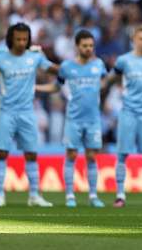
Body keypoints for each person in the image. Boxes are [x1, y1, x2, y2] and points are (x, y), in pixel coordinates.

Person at [0, 22, 60, 207]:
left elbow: (54, 69)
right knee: (1, 153)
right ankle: (0, 195)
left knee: (31, 153)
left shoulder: (35, 58)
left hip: (27, 112)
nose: (22, 42)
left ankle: (34, 196)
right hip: (6, 112)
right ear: (10, 39)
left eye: (25, 39)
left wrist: (72, 68)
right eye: (18, 39)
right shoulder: (0, 59)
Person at [36, 30, 107, 208]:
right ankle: (69, 196)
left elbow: (104, 84)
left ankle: (93, 196)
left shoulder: (99, 65)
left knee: (92, 157)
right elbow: (56, 87)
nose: (88, 49)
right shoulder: (67, 66)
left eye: (91, 45)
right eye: (85, 45)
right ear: (77, 47)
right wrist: (37, 87)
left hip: (93, 119)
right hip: (74, 119)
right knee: (71, 155)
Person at [105, 25, 142, 208]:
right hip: (128, 111)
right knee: (122, 154)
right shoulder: (124, 60)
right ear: (133, 40)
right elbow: (111, 78)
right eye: (141, 39)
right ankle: (120, 195)